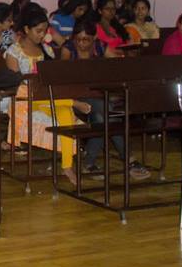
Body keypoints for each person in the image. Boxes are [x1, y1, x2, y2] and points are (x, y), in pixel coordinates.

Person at [5, 4, 90, 185]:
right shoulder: (14, 52)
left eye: (44, 31)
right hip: (25, 98)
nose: (42, 35)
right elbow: (15, 83)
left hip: (46, 97)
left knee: (66, 115)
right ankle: (72, 102)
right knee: (60, 104)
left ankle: (67, 165)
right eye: (38, 31)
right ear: (26, 29)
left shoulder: (47, 50)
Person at [58, 21, 150, 180]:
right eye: (78, 39)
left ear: (94, 37)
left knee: (102, 118)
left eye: (86, 39)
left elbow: (117, 64)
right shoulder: (68, 49)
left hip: (98, 96)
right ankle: (129, 159)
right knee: (108, 113)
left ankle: (89, 163)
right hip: (77, 99)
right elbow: (63, 76)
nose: (81, 43)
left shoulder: (100, 46)